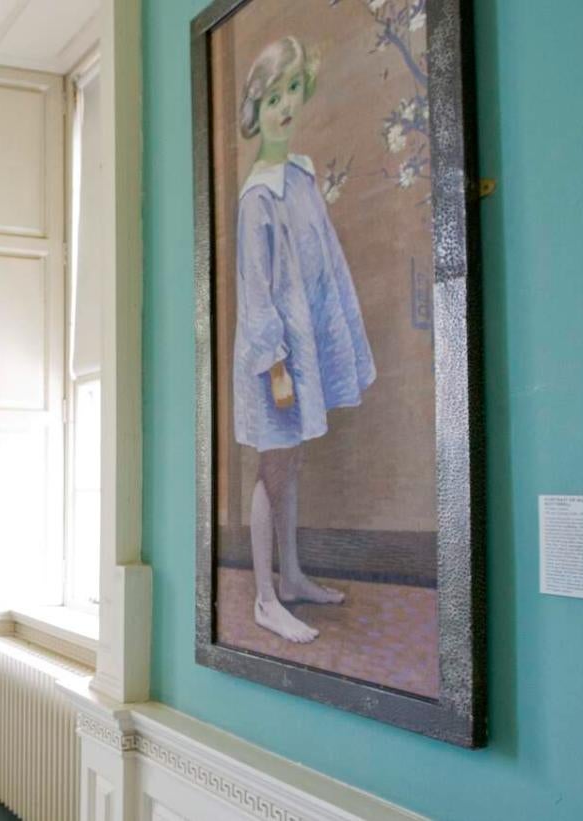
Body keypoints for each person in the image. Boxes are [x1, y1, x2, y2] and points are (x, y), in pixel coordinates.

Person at [233, 36, 376, 644]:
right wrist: (277, 365)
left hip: (304, 348)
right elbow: (256, 292)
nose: (285, 105)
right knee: (272, 469)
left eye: (293, 90)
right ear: (257, 106)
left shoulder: (301, 176)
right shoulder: (257, 194)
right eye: (273, 95)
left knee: (292, 465)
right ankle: (265, 596)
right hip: (275, 360)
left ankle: (290, 575)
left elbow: (322, 264)